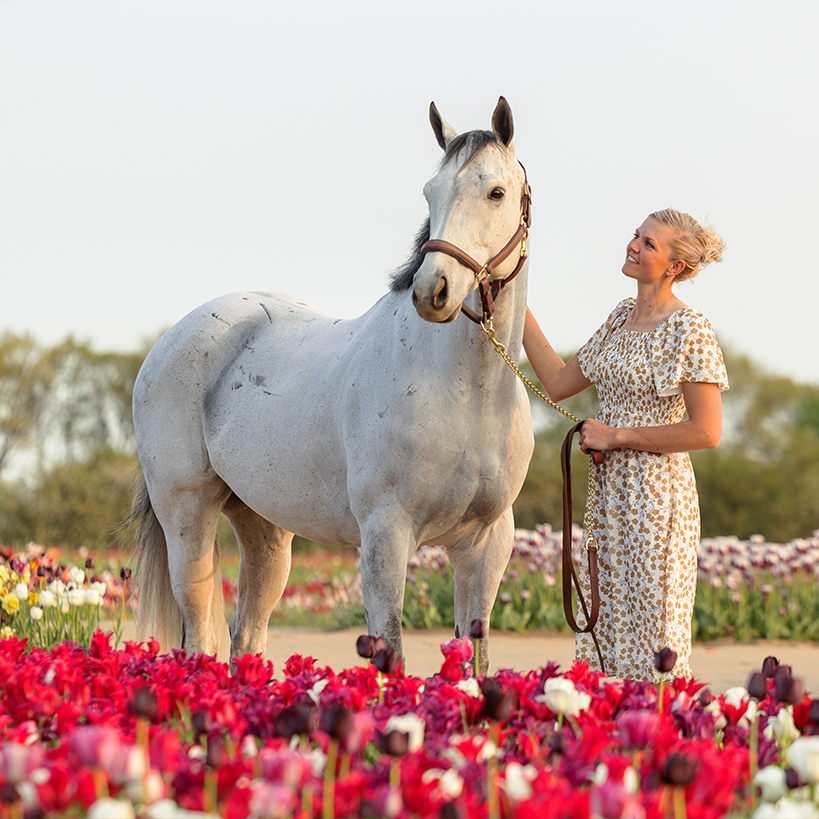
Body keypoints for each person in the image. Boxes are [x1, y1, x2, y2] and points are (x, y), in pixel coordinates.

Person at [523, 208, 729, 682]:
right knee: (606, 628)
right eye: (637, 235)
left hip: (658, 499)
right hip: (608, 495)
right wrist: (517, 305)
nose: (633, 245)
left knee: (656, 635)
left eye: (648, 243)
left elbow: (707, 431)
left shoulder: (689, 328)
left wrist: (616, 436)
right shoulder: (619, 317)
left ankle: (664, 721)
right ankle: (611, 723)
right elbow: (557, 383)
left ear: (675, 266)